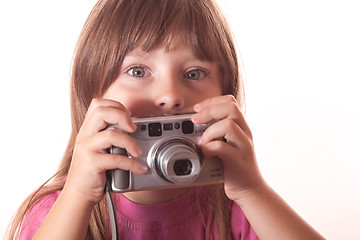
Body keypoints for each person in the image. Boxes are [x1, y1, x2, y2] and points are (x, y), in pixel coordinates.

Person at [6, 0, 325, 239]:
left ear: (226, 93)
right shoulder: (61, 211)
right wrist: (77, 196)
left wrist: (252, 189)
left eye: (194, 73)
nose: (170, 94)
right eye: (138, 71)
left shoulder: (236, 207)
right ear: (93, 92)